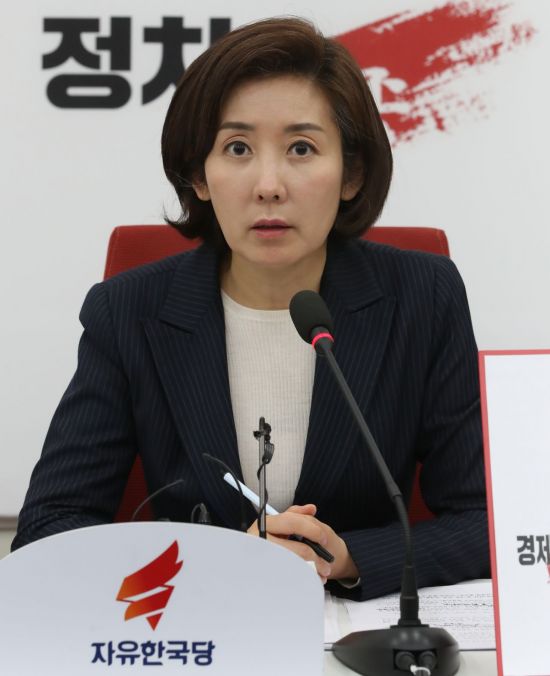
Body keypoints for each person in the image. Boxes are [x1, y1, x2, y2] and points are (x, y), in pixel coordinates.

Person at [12, 17, 489, 600]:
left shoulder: (422, 297)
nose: (268, 184)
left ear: (352, 173)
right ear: (199, 175)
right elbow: (48, 531)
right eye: (237, 148)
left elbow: (487, 522)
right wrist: (220, 565)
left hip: (358, 629)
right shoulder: (128, 312)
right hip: (200, 624)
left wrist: (347, 557)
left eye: (301, 148)